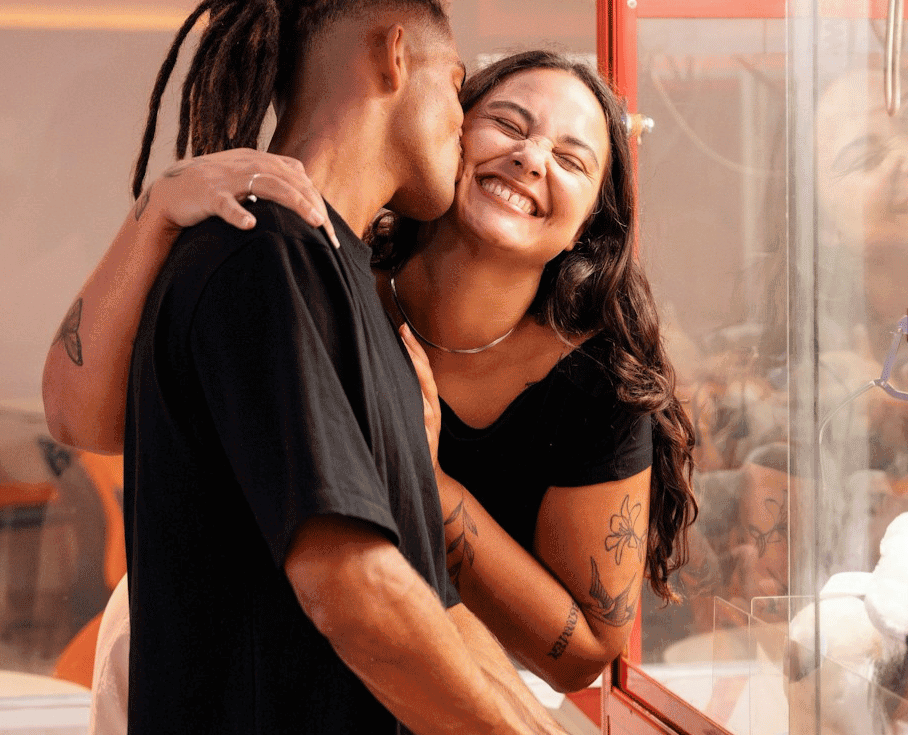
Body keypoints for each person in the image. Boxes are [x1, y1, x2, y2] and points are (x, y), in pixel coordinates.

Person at [43, 47, 698, 703]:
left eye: (571, 158)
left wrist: (423, 476)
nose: (531, 157)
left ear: (591, 222)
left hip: (450, 690)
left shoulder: (597, 381)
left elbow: (580, 656)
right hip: (228, 658)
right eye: (511, 124)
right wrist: (157, 208)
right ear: (452, 131)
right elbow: (81, 420)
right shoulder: (326, 275)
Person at [59, 0, 566, 734]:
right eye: (459, 86)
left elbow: (426, 594)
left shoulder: (343, 281)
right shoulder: (263, 251)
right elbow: (354, 590)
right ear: (395, 55)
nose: (464, 125)